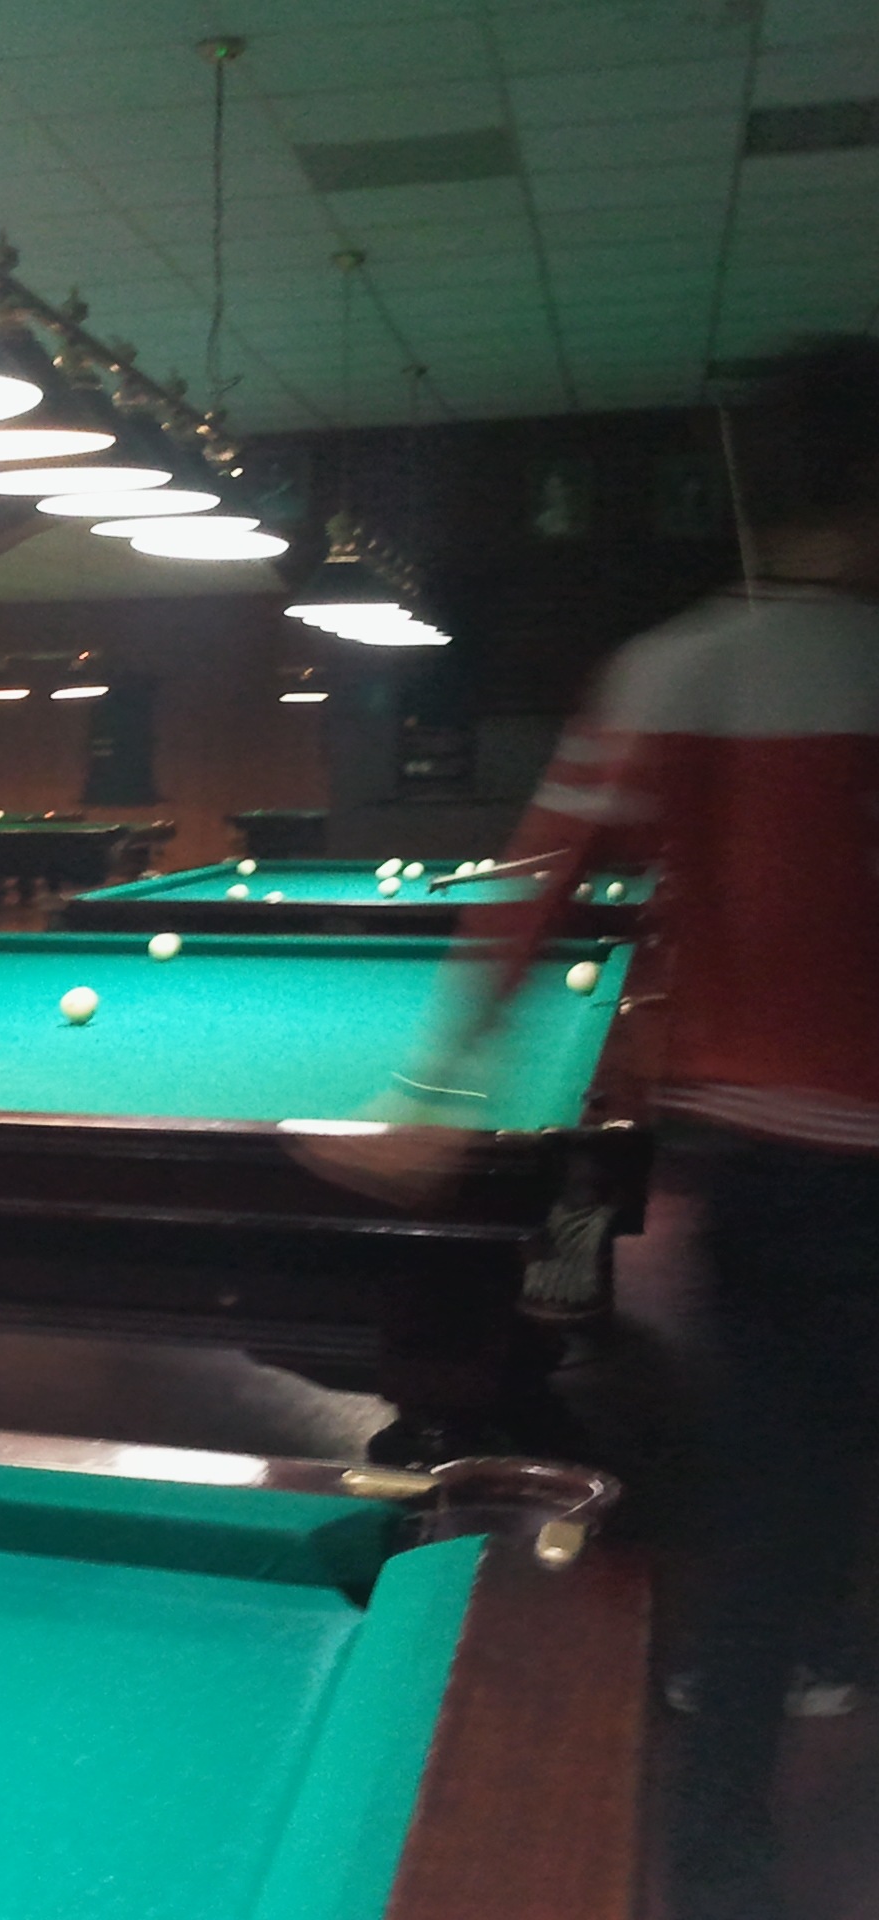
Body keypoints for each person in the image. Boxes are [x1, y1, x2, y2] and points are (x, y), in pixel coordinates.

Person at [296, 337, 879, 1920]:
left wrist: (433, 1101)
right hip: (822, 1168)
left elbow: (534, 890)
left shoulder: (683, 667)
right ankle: (807, 1676)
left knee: (775, 1476)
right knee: (814, 1469)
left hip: (760, 1164)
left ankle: (729, 1832)